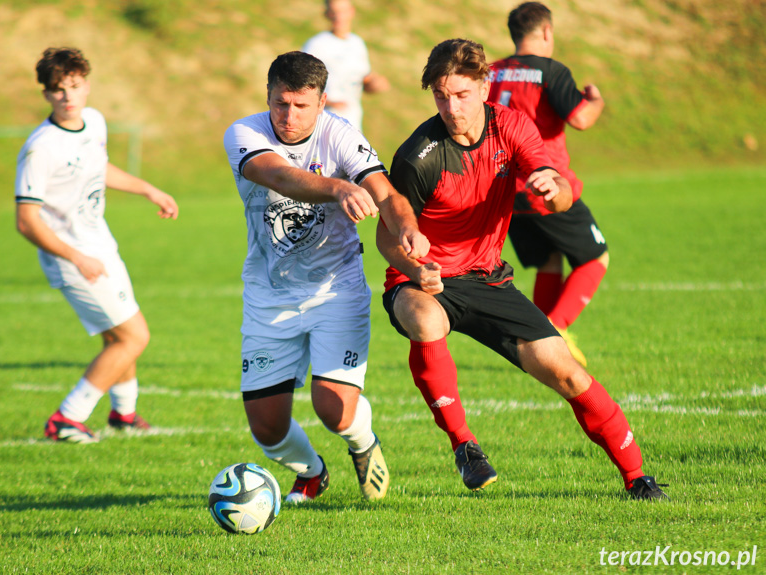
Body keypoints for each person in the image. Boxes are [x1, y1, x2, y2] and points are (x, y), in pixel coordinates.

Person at [376, 38, 668, 500]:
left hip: (488, 277)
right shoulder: (418, 155)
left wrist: (554, 189)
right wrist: (413, 267)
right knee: (427, 322)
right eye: (440, 95)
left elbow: (560, 193)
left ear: (484, 86)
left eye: (462, 94)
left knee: (568, 373)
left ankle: (638, 477)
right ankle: (465, 446)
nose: (451, 108)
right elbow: (386, 238)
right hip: (424, 281)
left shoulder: (511, 127)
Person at [223, 51, 429, 503]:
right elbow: (277, 175)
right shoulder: (244, 133)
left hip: (335, 290)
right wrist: (338, 187)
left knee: (334, 410)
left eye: (301, 106)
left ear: (322, 103)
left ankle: (362, 442)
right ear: (269, 96)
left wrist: (408, 228)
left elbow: (386, 194)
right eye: (281, 103)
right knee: (268, 428)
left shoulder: (341, 134)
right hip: (268, 295)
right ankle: (312, 474)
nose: (289, 116)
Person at [15, 47, 179, 443]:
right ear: (45, 95)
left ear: (87, 85)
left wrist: (148, 189)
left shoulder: (94, 122)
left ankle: (123, 414)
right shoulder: (41, 147)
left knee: (117, 336)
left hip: (101, 244)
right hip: (73, 257)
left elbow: (98, 168)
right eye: (57, 90)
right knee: (133, 337)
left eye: (74, 86)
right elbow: (26, 221)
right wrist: (76, 257)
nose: (68, 97)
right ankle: (66, 419)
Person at [487, 2, 608, 367]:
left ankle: (535, 345)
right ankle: (554, 328)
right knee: (595, 258)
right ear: (546, 32)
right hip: (547, 187)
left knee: (549, 262)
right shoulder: (550, 71)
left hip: (506, 190)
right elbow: (582, 119)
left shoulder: (490, 73)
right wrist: (596, 99)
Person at [302, 0, 390, 131]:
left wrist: (375, 84)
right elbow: (300, 83)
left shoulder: (357, 43)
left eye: (342, 11)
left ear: (351, 12)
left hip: (352, 123)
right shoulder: (316, 45)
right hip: (324, 122)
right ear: (327, 14)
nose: (339, 17)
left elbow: (363, 79)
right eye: (334, 12)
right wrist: (328, 102)